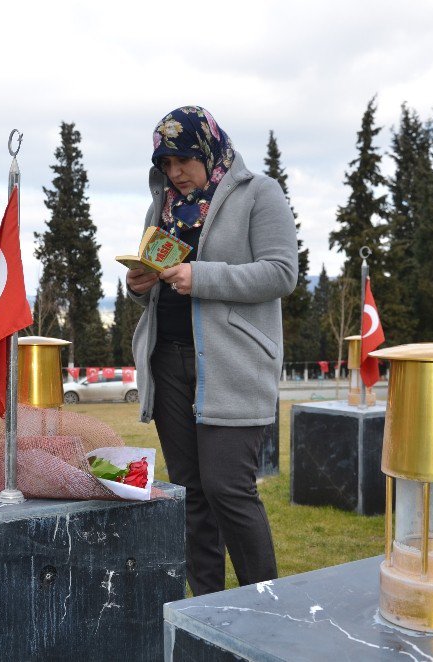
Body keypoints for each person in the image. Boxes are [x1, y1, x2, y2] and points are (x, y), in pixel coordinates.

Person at [126, 106, 298, 596]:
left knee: (228, 490)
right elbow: (157, 277)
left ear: (208, 147)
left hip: (232, 365)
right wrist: (139, 284)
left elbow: (281, 272)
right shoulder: (161, 205)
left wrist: (202, 276)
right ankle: (207, 612)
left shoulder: (259, 194)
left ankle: (265, 608)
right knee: (192, 496)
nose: (175, 173)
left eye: (182, 161)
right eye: (165, 165)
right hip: (168, 362)